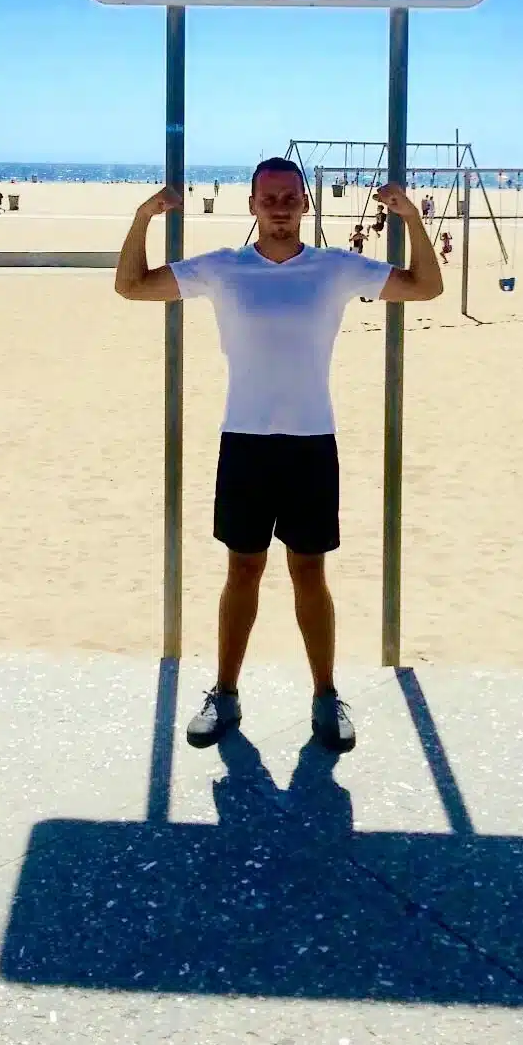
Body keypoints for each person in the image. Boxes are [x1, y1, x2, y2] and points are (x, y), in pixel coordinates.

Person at [116, 156, 443, 753]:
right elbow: (132, 286)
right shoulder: (223, 269)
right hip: (243, 441)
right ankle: (225, 694)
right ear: (252, 205)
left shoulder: (335, 268)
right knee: (242, 569)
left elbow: (426, 286)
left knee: (309, 572)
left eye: (290, 196)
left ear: (305, 204)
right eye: (269, 196)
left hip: (312, 443)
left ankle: (325, 695)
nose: (280, 205)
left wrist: (412, 218)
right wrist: (141, 217)